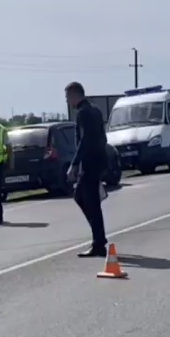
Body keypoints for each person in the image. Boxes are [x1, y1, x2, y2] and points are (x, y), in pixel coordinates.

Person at [65, 81, 109, 257]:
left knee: (87, 200)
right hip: (98, 159)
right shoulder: (96, 110)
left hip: (90, 162)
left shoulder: (83, 113)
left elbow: (85, 141)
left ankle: (99, 242)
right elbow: (102, 137)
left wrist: (74, 164)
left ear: (75, 95)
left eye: (68, 97)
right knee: (86, 199)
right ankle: (99, 238)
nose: (67, 101)